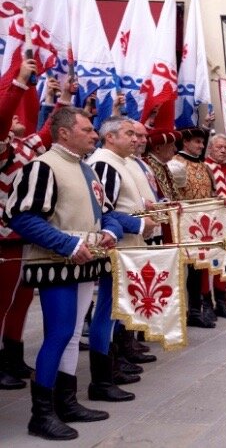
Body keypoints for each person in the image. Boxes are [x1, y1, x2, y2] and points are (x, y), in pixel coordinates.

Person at [5, 107, 144, 440]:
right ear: (64, 132)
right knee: (59, 334)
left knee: (67, 337)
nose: (94, 135)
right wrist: (66, 244)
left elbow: (107, 212)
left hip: (85, 263)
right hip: (56, 265)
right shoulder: (42, 167)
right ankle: (41, 415)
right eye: (87, 130)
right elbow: (21, 217)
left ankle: (65, 403)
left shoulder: (87, 170)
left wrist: (110, 231)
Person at [88, 117, 161, 374]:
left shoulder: (120, 162)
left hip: (128, 245)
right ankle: (104, 372)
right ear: (111, 137)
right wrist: (139, 224)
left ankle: (115, 359)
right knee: (108, 308)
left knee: (119, 306)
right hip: (116, 246)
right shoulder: (105, 164)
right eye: (129, 133)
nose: (135, 139)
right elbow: (104, 211)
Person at [0, 59, 51, 390]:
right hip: (4, 237)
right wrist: (17, 84)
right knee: (2, 302)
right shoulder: (3, 146)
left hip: (25, 234)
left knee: (22, 299)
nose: (18, 116)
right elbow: (2, 119)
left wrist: (57, 100)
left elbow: (47, 134)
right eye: (13, 112)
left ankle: (14, 357)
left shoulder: (26, 145)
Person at [168, 126, 218, 329]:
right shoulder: (174, 164)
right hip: (181, 224)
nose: (201, 145)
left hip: (201, 225)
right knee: (178, 269)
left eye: (202, 142)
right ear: (186, 143)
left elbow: (212, 193)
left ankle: (195, 310)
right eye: (197, 142)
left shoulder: (205, 166)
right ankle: (177, 312)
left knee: (197, 269)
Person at [204, 134, 226, 320]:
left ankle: (222, 304)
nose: (223, 151)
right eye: (219, 147)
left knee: (224, 263)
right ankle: (206, 304)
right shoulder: (204, 168)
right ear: (210, 148)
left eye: (225, 147)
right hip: (208, 224)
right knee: (207, 263)